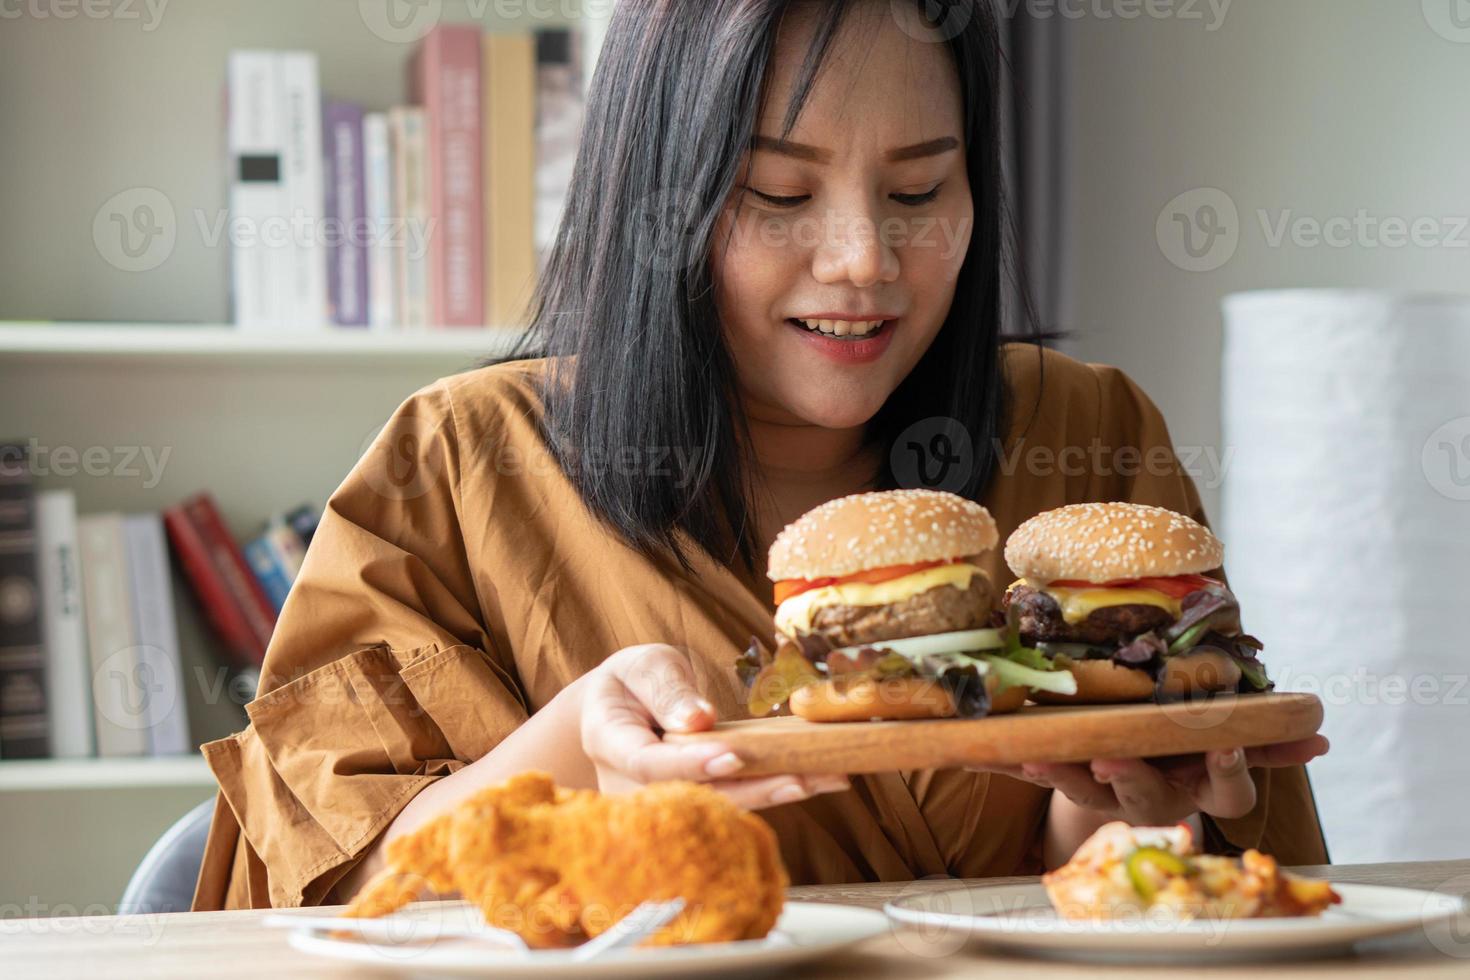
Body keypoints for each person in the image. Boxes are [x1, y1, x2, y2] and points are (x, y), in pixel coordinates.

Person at [192, 0, 1328, 911]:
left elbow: (1210, 884)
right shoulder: (455, 461)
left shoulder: (1094, 434)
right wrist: (573, 747)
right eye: (780, 192)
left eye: (920, 189)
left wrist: (1122, 807)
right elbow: (325, 897)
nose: (862, 259)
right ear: (657, 198)